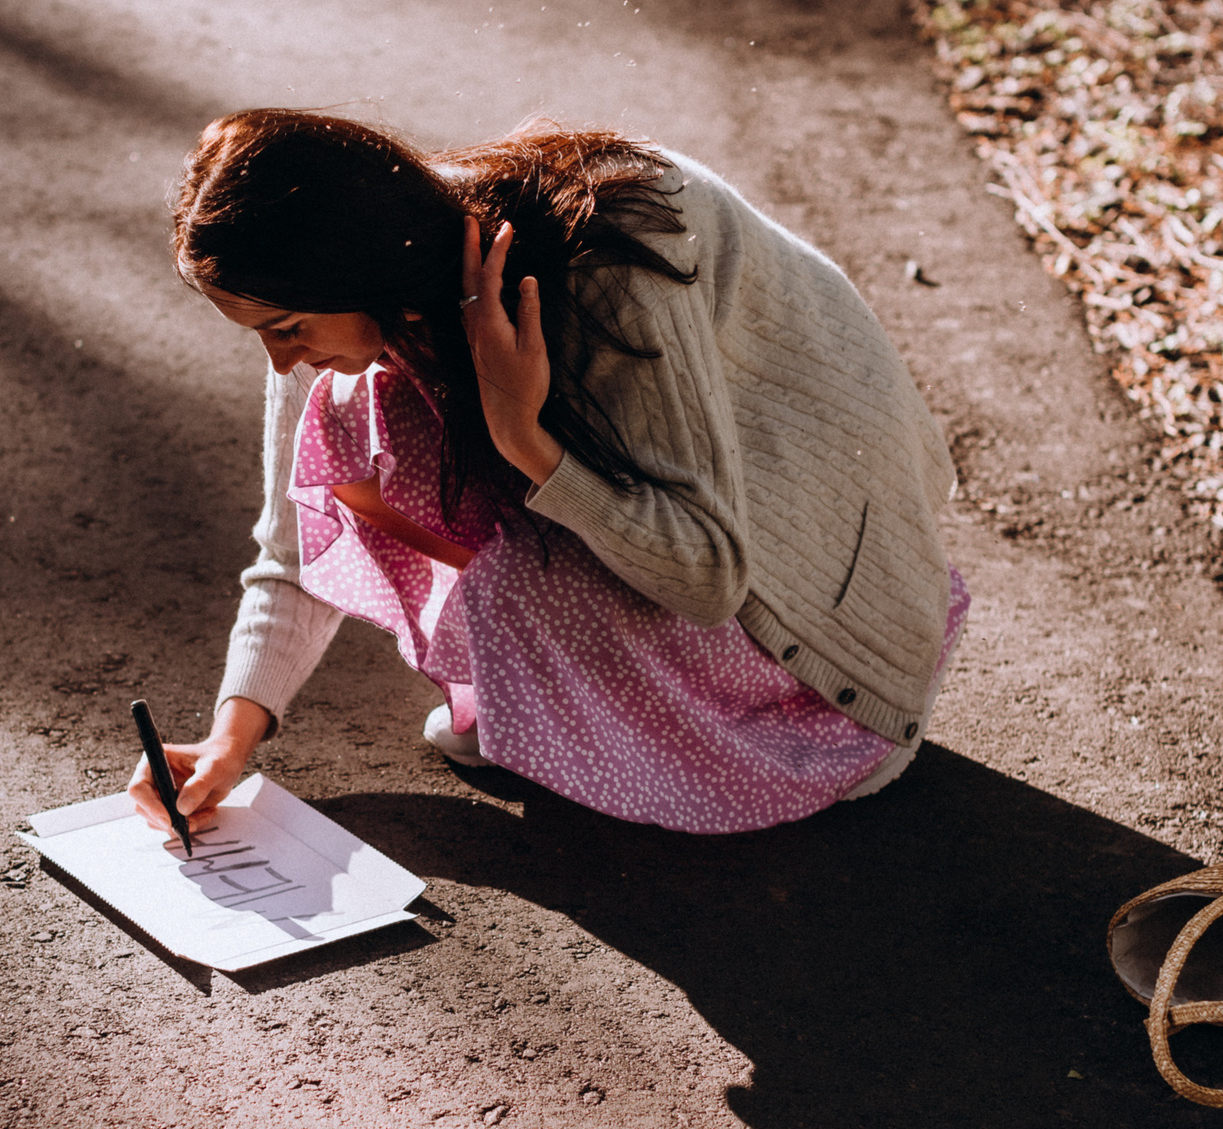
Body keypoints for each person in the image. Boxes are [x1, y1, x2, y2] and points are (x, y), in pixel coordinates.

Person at [128, 110, 966, 837]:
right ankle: (557, 704)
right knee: (346, 425)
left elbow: (711, 571)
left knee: (518, 573)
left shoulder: (604, 268)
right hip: (722, 536)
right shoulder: (380, 296)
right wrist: (229, 741)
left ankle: (748, 726)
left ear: (349, 267)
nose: (280, 361)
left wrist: (526, 440)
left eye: (287, 326)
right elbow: (293, 547)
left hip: (827, 628)